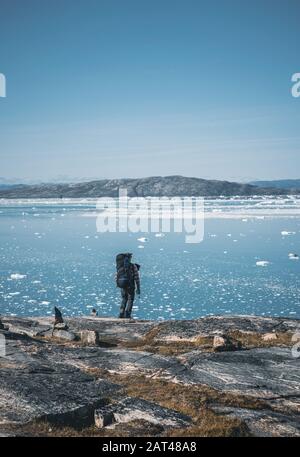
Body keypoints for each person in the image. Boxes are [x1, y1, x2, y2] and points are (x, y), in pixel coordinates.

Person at [116, 253, 140, 319]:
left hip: (122, 285)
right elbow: (137, 278)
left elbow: (116, 276)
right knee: (130, 299)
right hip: (131, 285)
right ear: (129, 258)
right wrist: (138, 288)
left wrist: (119, 284)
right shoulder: (133, 266)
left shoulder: (120, 266)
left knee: (124, 299)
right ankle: (127, 314)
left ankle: (121, 313)